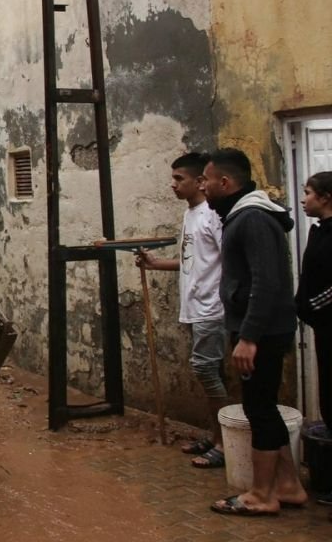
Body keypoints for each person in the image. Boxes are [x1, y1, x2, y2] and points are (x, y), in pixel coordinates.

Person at [201, 149, 306, 516]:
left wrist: (248, 337)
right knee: (262, 407)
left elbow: (266, 282)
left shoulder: (253, 219)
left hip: (260, 332)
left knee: (258, 409)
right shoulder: (243, 216)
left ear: (225, 182)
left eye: (206, 180)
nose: (204, 187)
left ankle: (262, 495)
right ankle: (289, 485)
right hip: (259, 329)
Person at [136, 152, 229, 469]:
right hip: (195, 306)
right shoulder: (191, 215)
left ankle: (224, 442)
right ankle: (214, 434)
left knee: (207, 371)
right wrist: (156, 264)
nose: (173, 185)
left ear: (200, 182)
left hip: (212, 307)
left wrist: (221, 298)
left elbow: (228, 262)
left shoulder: (212, 215)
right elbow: (193, 262)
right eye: (173, 178)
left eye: (179, 179)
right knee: (209, 373)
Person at [295, 171, 332, 507]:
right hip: (322, 330)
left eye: (308, 192)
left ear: (325, 197)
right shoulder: (319, 231)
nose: (303, 199)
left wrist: (309, 305)